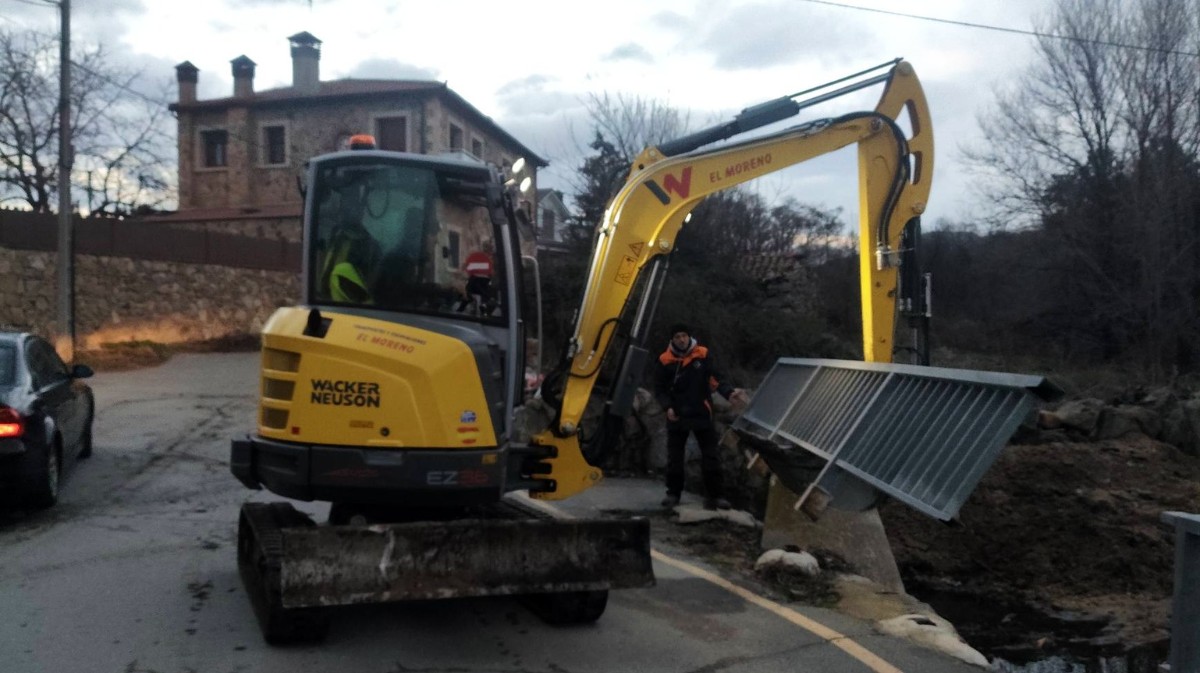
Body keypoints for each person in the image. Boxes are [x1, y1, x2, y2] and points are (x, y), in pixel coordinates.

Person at [654, 323, 748, 510]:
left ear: (689, 337)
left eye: (684, 336)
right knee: (675, 457)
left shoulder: (703, 355)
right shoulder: (665, 360)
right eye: (677, 336)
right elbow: (660, 389)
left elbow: (717, 378)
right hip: (677, 414)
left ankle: (716, 495)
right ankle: (673, 493)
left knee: (711, 455)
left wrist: (729, 393)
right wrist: (668, 407)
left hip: (701, 411)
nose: (681, 339)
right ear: (672, 339)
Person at [456, 240, 495, 314]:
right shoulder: (488, 257)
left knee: (470, 291)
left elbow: (467, 265)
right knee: (483, 293)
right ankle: (482, 304)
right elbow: (491, 271)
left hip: (476, 279)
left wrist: (462, 271)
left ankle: (467, 304)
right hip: (483, 279)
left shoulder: (479, 255)